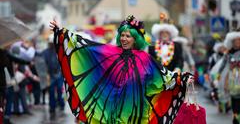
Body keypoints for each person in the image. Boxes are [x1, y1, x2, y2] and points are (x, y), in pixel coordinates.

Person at [50, 15, 194, 123]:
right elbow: (86, 47)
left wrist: (183, 78)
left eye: (128, 36)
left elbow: (164, 77)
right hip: (113, 109)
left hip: (137, 112)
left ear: (135, 39)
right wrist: (61, 32)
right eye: (122, 35)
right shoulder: (110, 52)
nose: (124, 39)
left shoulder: (145, 58)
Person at [43, 34, 65, 119]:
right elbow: (43, 63)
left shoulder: (60, 51)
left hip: (59, 74)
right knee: (51, 91)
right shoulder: (46, 52)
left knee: (60, 90)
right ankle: (52, 107)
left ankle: (61, 104)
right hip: (50, 75)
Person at [220, 30, 240, 124]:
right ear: (232, 42)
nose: (238, 42)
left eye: (239, 40)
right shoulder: (228, 53)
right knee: (234, 100)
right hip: (233, 80)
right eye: (236, 40)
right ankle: (235, 117)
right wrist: (221, 79)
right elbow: (223, 65)